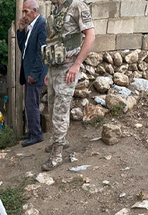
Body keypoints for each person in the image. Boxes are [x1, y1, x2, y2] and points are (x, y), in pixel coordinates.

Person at [41, 0, 95, 170]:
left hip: (68, 68)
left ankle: (57, 155)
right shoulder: (56, 8)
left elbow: (90, 35)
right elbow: (54, 40)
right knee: (52, 108)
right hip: (54, 67)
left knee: (60, 112)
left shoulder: (77, 6)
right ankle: (60, 140)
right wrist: (48, 71)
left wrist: (77, 64)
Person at [17, 0, 48, 147]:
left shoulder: (41, 24)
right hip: (29, 72)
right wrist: (21, 30)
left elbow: (41, 53)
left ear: (34, 11)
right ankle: (32, 132)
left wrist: (34, 74)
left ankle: (36, 135)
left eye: (26, 11)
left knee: (32, 105)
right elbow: (23, 48)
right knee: (29, 104)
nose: (23, 15)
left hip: (34, 74)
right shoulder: (31, 26)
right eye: (23, 12)